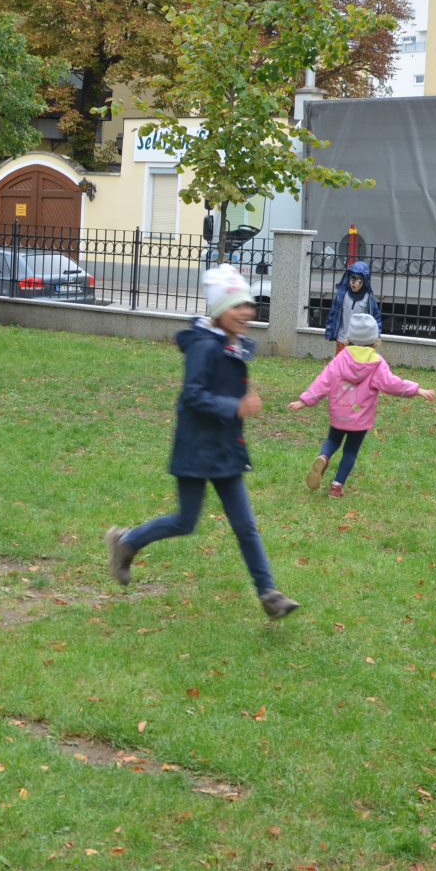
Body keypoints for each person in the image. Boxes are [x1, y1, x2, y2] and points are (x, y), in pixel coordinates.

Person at [105, 265, 300, 620]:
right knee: (185, 521)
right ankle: (125, 541)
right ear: (219, 310)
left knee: (245, 525)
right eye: (236, 305)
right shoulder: (205, 347)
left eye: (248, 304)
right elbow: (192, 396)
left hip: (225, 449)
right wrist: (235, 406)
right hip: (196, 449)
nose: (246, 312)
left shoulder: (232, 345)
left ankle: (269, 594)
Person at [288, 311, 436, 497]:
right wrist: (416, 390)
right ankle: (336, 487)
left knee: (332, 440)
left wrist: (304, 400)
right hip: (360, 418)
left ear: (348, 338)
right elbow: (391, 383)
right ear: (375, 341)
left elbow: (323, 380)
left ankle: (323, 456)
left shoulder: (341, 358)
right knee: (350, 451)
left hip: (338, 414)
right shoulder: (377, 362)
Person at [323, 261, 381, 356]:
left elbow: (375, 318)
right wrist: (329, 331)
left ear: (364, 280)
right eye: (351, 279)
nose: (353, 283)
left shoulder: (368, 299)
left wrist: (376, 335)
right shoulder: (342, 295)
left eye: (357, 279)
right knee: (340, 363)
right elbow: (333, 314)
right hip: (342, 339)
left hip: (360, 342)